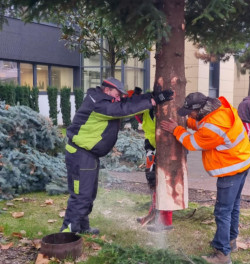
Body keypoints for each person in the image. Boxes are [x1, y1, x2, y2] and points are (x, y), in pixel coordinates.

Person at [60, 77, 173, 235]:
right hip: (80, 153)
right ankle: (67, 234)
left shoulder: (103, 99)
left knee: (88, 193)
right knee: (81, 195)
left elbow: (125, 104)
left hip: (87, 154)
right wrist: (153, 101)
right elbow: (122, 109)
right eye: (117, 94)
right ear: (107, 90)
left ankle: (82, 226)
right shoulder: (98, 103)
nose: (119, 98)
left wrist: (149, 96)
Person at [161, 92, 250, 264]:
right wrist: (186, 123)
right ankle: (231, 242)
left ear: (199, 110)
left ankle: (222, 254)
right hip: (243, 162)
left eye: (190, 113)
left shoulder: (212, 127)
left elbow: (192, 142)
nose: (189, 115)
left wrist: (176, 129)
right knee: (233, 207)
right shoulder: (220, 109)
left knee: (222, 211)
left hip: (231, 169)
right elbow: (204, 125)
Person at [136, 106, 173, 231]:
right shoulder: (145, 112)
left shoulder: (163, 110)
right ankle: (153, 214)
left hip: (166, 149)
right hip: (152, 148)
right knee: (152, 182)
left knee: (164, 184)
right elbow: (148, 129)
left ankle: (165, 222)